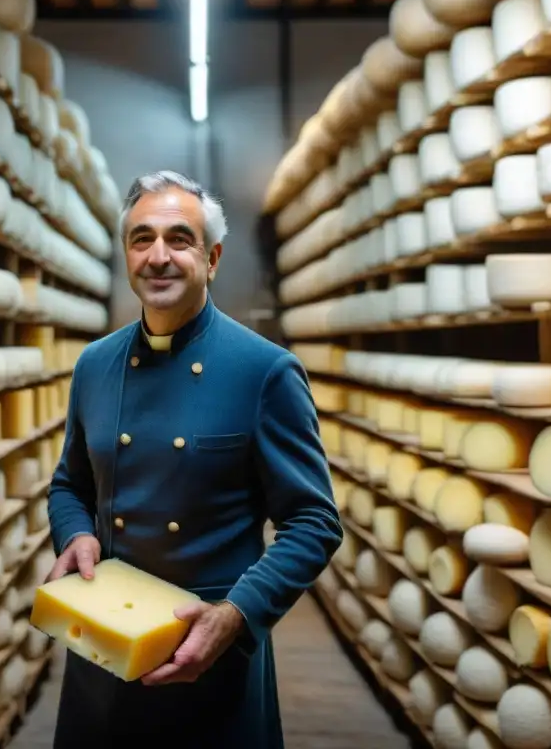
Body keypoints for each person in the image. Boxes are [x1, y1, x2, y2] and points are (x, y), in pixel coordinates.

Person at [46, 170, 343, 747]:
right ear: (127, 256)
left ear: (211, 258)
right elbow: (69, 485)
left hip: (208, 648)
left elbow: (314, 522)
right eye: (142, 239)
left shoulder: (264, 371)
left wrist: (235, 617)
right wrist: (75, 534)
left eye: (179, 239)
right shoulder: (94, 365)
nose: (159, 256)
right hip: (104, 641)